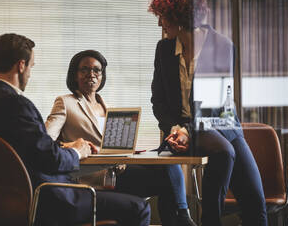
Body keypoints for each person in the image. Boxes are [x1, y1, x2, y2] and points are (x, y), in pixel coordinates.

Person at [0, 33, 151, 226]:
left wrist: (64, 148)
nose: (29, 73)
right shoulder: (18, 105)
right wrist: (76, 151)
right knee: (139, 208)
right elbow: (50, 159)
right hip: (53, 198)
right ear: (21, 66)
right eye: (31, 67)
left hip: (13, 202)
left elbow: (31, 150)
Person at [148, 0, 268, 225]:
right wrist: (174, 128)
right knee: (174, 203)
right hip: (179, 130)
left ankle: (209, 218)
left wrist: (187, 130)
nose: (159, 23)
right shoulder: (164, 49)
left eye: (163, 16)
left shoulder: (221, 46)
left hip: (220, 125)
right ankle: (209, 219)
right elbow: (158, 101)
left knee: (256, 205)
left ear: (178, 15)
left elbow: (214, 104)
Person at [46, 49, 197, 226]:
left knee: (167, 165)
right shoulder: (65, 102)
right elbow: (46, 140)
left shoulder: (108, 106)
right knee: (166, 180)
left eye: (97, 70)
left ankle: (180, 217)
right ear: (74, 74)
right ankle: (182, 218)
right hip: (93, 176)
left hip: (119, 170)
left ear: (102, 76)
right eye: (85, 69)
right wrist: (71, 145)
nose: (91, 74)